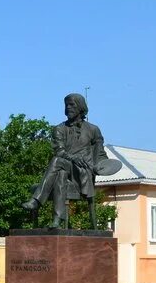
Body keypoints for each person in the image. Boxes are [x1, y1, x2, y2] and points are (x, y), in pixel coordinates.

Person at [22, 92, 109, 228]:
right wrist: (73, 158)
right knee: (60, 171)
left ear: (80, 107)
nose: (68, 107)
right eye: (66, 105)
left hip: (83, 172)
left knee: (58, 165)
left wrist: (103, 167)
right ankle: (57, 219)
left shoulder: (93, 130)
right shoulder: (59, 129)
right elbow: (59, 151)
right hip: (66, 166)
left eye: (72, 104)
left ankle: (37, 202)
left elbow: (100, 154)